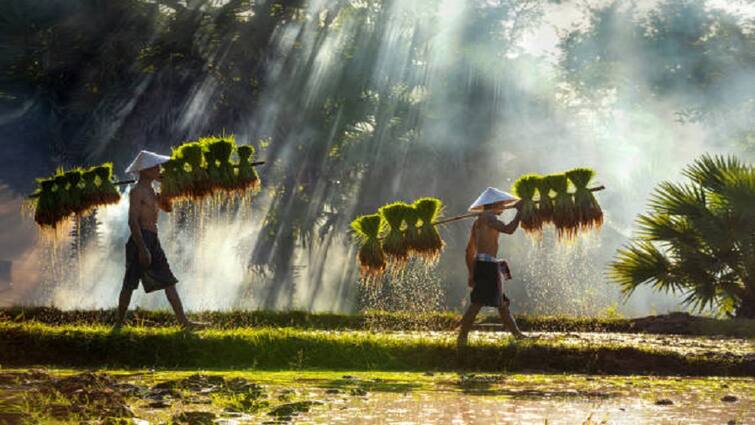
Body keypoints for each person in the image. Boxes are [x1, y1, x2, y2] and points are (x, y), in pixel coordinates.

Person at [114, 150, 203, 330]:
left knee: (169, 281)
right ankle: (118, 324)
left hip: (153, 239)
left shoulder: (152, 191)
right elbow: (132, 221)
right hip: (141, 239)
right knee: (129, 283)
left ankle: (184, 322)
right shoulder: (137, 191)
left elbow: (167, 208)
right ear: (145, 170)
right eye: (155, 167)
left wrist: (167, 186)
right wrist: (142, 249)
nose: (159, 169)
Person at [457, 187, 527, 346]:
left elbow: (469, 250)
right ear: (494, 203)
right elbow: (509, 230)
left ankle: (518, 335)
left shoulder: (478, 221)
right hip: (487, 266)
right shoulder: (489, 218)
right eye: (502, 203)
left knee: (502, 304)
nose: (504, 206)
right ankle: (461, 338)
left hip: (484, 264)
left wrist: (471, 273)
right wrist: (520, 212)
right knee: (477, 304)